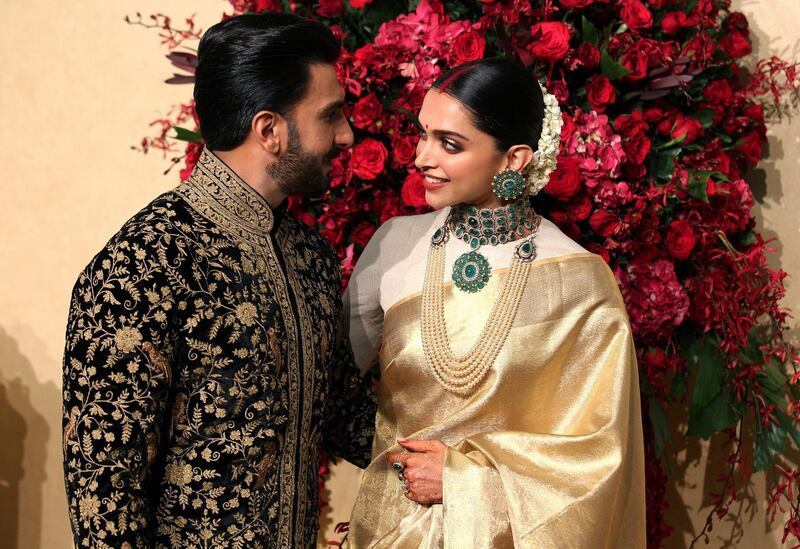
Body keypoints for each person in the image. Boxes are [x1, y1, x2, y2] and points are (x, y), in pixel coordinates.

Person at [62, 12, 375, 548]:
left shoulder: (310, 257)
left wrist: (487, 455)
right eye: (331, 116)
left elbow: (346, 414)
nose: (346, 135)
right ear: (270, 130)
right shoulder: (144, 263)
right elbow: (104, 496)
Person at [343, 58, 645, 548]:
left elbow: (599, 459)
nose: (422, 157)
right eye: (423, 134)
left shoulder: (579, 281)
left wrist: (464, 480)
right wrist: (393, 460)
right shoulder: (393, 245)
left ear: (514, 159)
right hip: (393, 529)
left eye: (450, 144)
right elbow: (328, 389)